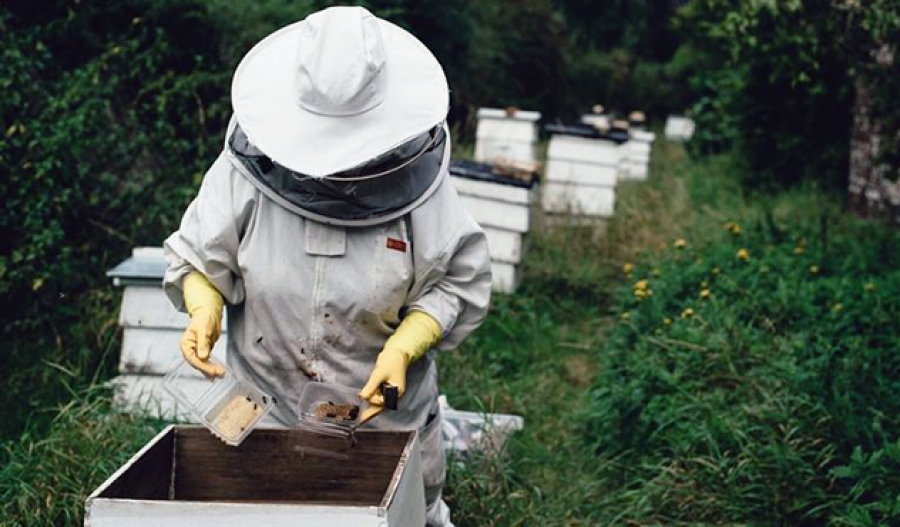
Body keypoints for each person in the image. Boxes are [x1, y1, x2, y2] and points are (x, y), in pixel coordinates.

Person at [162, 6, 491, 526]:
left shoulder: (423, 191)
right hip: (261, 417)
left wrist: (405, 347)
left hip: (382, 427)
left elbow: (455, 282)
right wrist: (204, 307)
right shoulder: (243, 175)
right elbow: (199, 255)